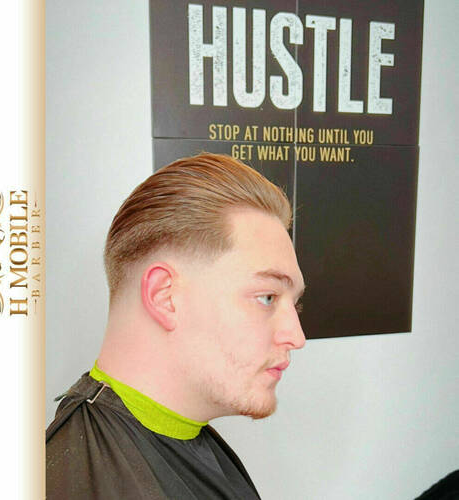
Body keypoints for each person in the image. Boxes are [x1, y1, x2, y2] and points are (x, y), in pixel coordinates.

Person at [46, 153, 306, 499]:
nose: (297, 337)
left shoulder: (183, 435)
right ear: (164, 296)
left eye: (295, 304)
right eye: (267, 297)